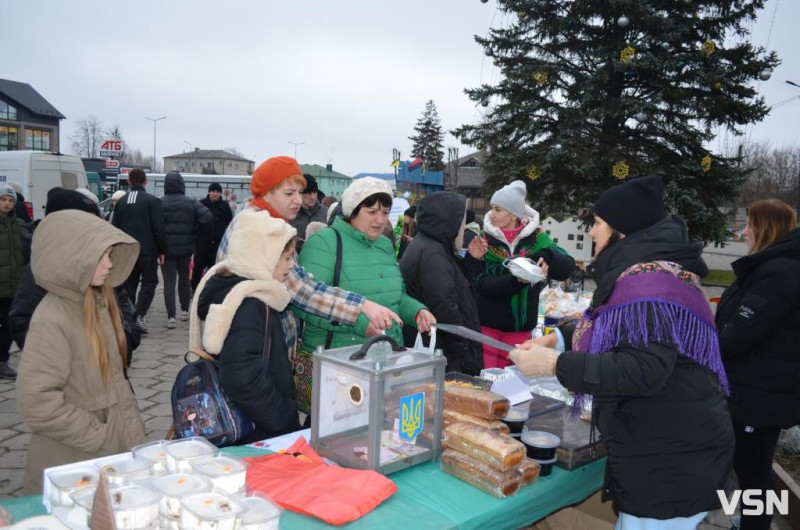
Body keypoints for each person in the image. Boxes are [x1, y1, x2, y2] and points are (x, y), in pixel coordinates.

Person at [509, 175, 733, 527]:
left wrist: (555, 364)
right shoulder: (650, 272)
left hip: (671, 462)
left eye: (598, 224)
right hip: (670, 445)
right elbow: (618, 329)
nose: (592, 233)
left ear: (622, 231)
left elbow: (642, 370)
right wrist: (560, 339)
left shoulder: (648, 287)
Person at [211, 156, 402, 359]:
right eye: (289, 193)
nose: (298, 201)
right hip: (255, 348)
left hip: (254, 341)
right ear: (267, 194)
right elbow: (303, 291)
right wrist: (362, 305)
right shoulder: (264, 228)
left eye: (300, 193)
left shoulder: (254, 219)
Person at [16, 210, 145, 494]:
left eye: (111, 255)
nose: (109, 264)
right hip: (74, 466)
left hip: (103, 460)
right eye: (100, 257)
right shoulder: (52, 318)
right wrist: (99, 435)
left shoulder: (97, 303)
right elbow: (37, 403)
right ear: (70, 259)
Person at [715, 199, 800, 530]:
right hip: (757, 388)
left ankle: (755, 524)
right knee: (749, 466)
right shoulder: (774, 266)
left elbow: (741, 333)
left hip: (759, 394)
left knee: (753, 468)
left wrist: (699, 347)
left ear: (766, 228)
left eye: (749, 224)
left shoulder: (780, 272)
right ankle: (749, 518)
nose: (745, 231)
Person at [192, 209, 301, 442]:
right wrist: (282, 422)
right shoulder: (250, 303)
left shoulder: (232, 287)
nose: (291, 265)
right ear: (264, 256)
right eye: (286, 257)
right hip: (258, 431)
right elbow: (242, 378)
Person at [296, 177, 434, 350]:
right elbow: (307, 303)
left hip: (384, 354)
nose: (380, 220)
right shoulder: (324, 243)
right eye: (372, 211)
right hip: (337, 360)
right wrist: (361, 324)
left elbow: (395, 297)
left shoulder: (384, 244)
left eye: (385, 212)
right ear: (352, 211)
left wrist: (417, 312)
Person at [10, 189, 141, 366]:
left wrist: (123, 337)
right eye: (86, 221)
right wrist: (72, 356)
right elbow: (23, 322)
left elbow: (124, 307)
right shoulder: (40, 269)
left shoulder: (103, 262)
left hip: (112, 369)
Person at [476, 180, 575, 368]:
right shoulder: (483, 240)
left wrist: (547, 257)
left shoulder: (537, 238)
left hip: (520, 328)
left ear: (513, 213)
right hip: (486, 325)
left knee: (512, 385)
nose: (491, 214)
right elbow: (481, 284)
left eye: (498, 209)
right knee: (485, 382)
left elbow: (567, 266)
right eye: (492, 208)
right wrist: (517, 281)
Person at [400, 192, 486, 375]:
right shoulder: (433, 254)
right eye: (462, 221)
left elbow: (455, 286)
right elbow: (444, 306)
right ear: (449, 222)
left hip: (441, 351)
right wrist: (463, 348)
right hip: (445, 356)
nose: (463, 227)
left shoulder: (432, 246)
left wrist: (472, 261)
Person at [112, 168, 167, 333]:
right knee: (149, 283)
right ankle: (139, 315)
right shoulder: (152, 201)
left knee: (129, 285)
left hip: (127, 250)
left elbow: (115, 227)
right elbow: (159, 228)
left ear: (128, 181)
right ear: (146, 181)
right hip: (148, 251)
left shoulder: (121, 202)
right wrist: (162, 250)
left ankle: (129, 317)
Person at [160, 171, 211, 328]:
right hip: (186, 248)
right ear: (182, 185)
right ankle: (184, 311)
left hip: (166, 250)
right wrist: (195, 231)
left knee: (168, 282)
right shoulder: (191, 202)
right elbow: (207, 217)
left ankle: (170, 317)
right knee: (183, 280)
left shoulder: (159, 202)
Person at [0, 185, 31, 380]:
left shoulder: (20, 225)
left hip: (12, 286)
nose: (6, 203)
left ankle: (2, 360)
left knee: (9, 325)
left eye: (10, 201)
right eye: (3, 199)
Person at [191, 183, 233, 293]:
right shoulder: (201, 205)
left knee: (216, 270)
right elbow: (193, 223)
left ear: (220, 193)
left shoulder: (225, 206)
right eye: (213, 191)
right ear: (209, 192)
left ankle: (214, 290)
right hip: (202, 244)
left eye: (218, 192)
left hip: (218, 246)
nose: (215, 194)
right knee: (198, 268)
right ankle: (194, 289)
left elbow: (230, 224)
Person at [289, 174, 328, 251]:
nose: (313, 197)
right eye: (308, 193)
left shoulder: (326, 212)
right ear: (300, 193)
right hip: (294, 258)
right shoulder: (290, 213)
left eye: (314, 192)